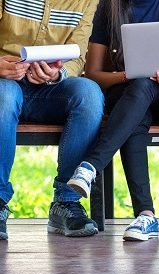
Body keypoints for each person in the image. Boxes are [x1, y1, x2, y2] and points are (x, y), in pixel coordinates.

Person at [66, 0, 159, 241]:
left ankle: (91, 165)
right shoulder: (110, 6)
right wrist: (127, 75)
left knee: (140, 92)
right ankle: (146, 216)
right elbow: (93, 74)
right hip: (127, 93)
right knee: (138, 96)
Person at [0, 0, 104, 240]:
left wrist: (58, 74)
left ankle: (66, 203)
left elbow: (78, 56)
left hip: (49, 90)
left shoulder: (87, 2)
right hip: (5, 85)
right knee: (4, 95)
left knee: (88, 93)